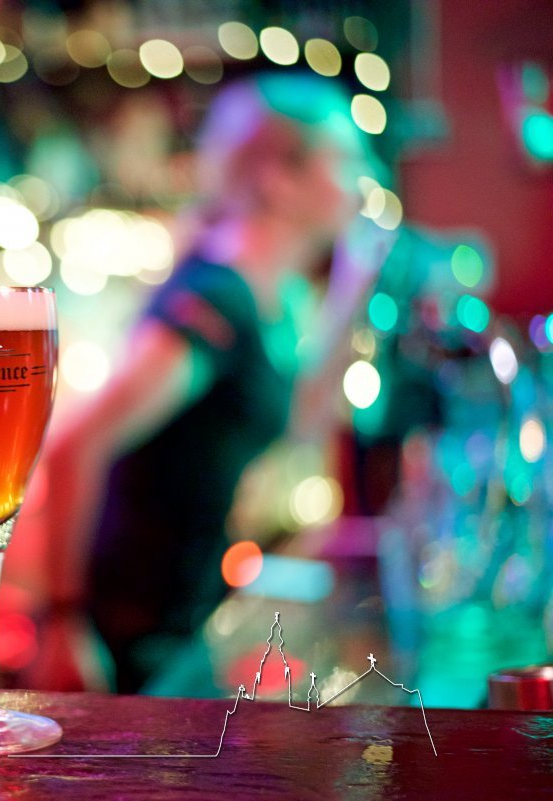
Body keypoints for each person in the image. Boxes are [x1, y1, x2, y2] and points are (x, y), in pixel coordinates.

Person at [33, 73, 395, 694]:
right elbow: (73, 446)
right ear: (278, 177)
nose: (366, 180)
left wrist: (353, 290)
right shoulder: (218, 301)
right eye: (346, 160)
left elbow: (302, 425)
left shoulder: (269, 294)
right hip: (126, 630)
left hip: (182, 618)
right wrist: (62, 623)